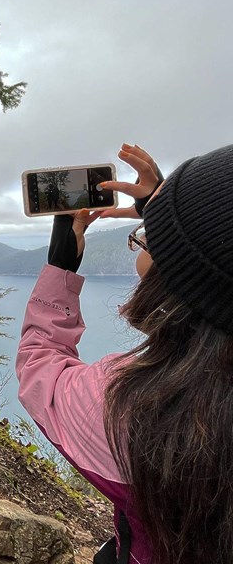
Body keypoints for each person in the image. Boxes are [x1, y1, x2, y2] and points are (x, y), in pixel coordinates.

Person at [16, 142, 233, 564]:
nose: (141, 249)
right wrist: (177, 217)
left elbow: (40, 367)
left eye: (146, 241)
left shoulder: (134, 406)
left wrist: (60, 267)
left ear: (181, 281)